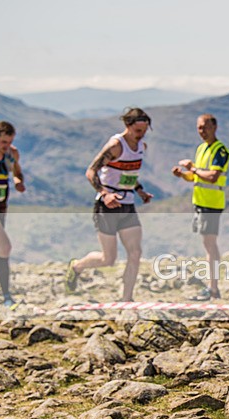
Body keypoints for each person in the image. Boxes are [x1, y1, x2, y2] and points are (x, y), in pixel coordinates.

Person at [65, 108, 153, 302]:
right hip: (107, 207)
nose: (141, 135)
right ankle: (77, 267)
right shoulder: (115, 146)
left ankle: (126, 299)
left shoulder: (141, 146)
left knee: (135, 253)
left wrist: (140, 191)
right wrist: (105, 194)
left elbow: (128, 174)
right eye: (138, 131)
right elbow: (91, 172)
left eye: (144, 131)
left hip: (127, 204)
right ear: (127, 126)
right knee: (108, 259)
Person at [171, 114, 229, 300]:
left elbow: (212, 176)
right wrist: (183, 175)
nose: (202, 131)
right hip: (201, 202)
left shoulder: (220, 151)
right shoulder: (201, 148)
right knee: (208, 244)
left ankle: (213, 288)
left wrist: (193, 168)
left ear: (215, 127)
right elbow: (197, 176)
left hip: (212, 203)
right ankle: (213, 286)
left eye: (205, 127)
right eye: (199, 128)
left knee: (209, 244)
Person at [0, 121, 26, 308]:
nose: (6, 146)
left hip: (0, 207)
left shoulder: (12, 154)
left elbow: (17, 172)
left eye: (10, 142)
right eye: (3, 142)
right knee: (5, 246)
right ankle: (6, 297)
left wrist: (18, 181)